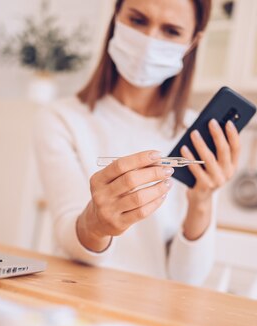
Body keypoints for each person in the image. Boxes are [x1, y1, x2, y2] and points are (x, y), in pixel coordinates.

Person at [34, 0, 241, 284]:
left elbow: (188, 278)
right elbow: (69, 236)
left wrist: (201, 201)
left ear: (194, 41)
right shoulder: (62, 119)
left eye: (171, 31)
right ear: (116, 15)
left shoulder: (197, 137)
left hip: (156, 313)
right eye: (138, 20)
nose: (149, 41)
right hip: (76, 296)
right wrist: (95, 225)